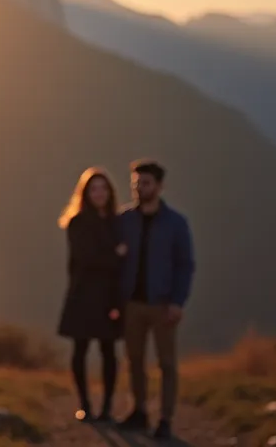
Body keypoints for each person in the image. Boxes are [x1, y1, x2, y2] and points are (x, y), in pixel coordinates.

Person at [116, 160, 195, 440]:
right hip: (132, 304)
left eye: (146, 183)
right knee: (134, 360)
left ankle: (165, 419)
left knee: (167, 364)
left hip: (163, 304)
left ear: (160, 186)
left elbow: (185, 265)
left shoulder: (176, 223)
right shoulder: (124, 220)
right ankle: (138, 411)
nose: (139, 188)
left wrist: (177, 301)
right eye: (136, 183)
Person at [55, 167, 125, 423]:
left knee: (108, 350)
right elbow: (86, 258)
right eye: (93, 188)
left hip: (108, 296)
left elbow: (103, 261)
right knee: (80, 348)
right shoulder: (77, 222)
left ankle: (106, 407)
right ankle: (84, 404)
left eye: (103, 188)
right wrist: (115, 256)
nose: (99, 193)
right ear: (85, 193)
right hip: (82, 294)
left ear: (110, 192)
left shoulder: (116, 223)